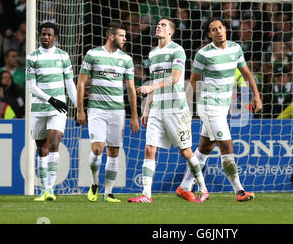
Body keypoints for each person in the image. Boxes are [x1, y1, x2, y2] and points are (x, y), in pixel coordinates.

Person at [176, 18, 262, 202]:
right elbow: (193, 82)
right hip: (209, 106)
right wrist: (184, 107)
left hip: (223, 107)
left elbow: (246, 73)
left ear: (226, 29)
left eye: (221, 28)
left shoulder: (235, 49)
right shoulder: (203, 54)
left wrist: (256, 96)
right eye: (214, 30)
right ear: (209, 34)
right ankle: (239, 191)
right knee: (227, 146)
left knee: (205, 148)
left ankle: (184, 187)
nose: (219, 31)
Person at [128, 18, 209, 203]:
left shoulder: (177, 50)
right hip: (157, 109)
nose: (159, 26)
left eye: (163, 25)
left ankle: (203, 189)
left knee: (186, 151)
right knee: (149, 148)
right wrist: (147, 109)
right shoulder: (153, 53)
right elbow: (154, 81)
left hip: (176, 109)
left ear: (171, 32)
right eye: (158, 24)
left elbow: (175, 77)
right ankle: (146, 194)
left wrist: (150, 89)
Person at [76, 22, 140, 203]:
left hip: (117, 111)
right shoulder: (93, 54)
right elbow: (81, 83)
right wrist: (80, 109)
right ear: (111, 36)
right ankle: (95, 183)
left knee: (114, 152)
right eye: (122, 36)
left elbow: (130, 88)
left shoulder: (126, 59)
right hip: (96, 110)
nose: (125, 39)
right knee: (97, 149)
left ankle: (108, 193)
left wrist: (134, 116)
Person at [25, 22, 77, 202]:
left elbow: (70, 84)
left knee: (54, 144)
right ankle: (43, 190)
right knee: (42, 149)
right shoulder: (32, 57)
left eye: (49, 34)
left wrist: (78, 107)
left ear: (55, 37)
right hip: (39, 109)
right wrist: (50, 99)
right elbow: (31, 87)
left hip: (58, 109)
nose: (45, 37)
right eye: (43, 34)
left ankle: (49, 190)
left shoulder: (63, 56)